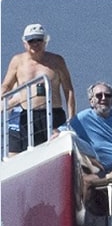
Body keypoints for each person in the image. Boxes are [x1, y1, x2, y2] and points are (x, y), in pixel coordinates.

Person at [1, 24, 77, 155]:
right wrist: (3, 95)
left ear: (45, 41)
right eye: (31, 41)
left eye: (38, 40)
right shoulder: (17, 61)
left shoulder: (57, 61)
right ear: (25, 43)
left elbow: (68, 89)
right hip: (29, 116)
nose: (35, 44)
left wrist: (72, 117)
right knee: (30, 153)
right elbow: (7, 85)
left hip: (54, 114)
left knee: (57, 150)